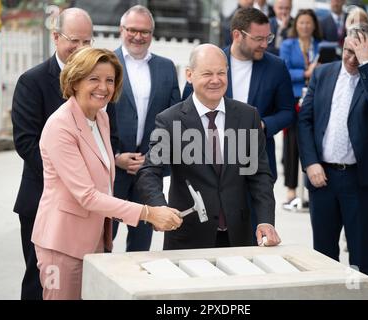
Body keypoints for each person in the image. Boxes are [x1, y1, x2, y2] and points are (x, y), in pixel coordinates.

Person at [31, 47, 182, 300]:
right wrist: (147, 213)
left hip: (94, 242)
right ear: (75, 81)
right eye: (94, 79)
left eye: (109, 80)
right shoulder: (60, 127)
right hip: (62, 245)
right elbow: (87, 196)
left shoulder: (100, 118)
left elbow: (103, 182)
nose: (103, 87)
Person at [136, 44, 281, 250]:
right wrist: (160, 208)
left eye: (221, 73)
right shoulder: (169, 120)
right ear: (189, 75)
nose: (215, 80)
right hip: (187, 237)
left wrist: (266, 220)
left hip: (239, 237)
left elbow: (259, 175)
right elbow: (150, 171)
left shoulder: (248, 116)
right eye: (207, 73)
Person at [11, 8, 111, 300]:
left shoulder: (99, 84)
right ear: (55, 37)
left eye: (87, 42)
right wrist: (75, 173)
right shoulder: (32, 81)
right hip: (46, 204)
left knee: (81, 284)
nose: (80, 49)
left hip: (90, 207)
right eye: (74, 41)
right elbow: (26, 144)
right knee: (38, 282)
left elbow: (108, 136)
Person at [298, 23, 368, 278]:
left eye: (359, 53)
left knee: (360, 255)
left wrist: (366, 65)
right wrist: (310, 163)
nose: (351, 59)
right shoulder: (323, 73)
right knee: (322, 254)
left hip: (360, 180)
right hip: (322, 179)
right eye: (347, 51)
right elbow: (305, 121)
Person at [110, 5, 181, 252]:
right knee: (103, 240)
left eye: (145, 31)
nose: (138, 36)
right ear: (122, 30)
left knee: (141, 245)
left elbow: (174, 120)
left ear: (152, 33)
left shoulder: (166, 68)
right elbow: (93, 118)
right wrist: (114, 157)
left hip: (148, 173)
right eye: (132, 30)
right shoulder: (106, 63)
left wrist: (152, 160)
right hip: (111, 170)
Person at [280, 9, 321, 210]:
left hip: (314, 99)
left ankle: (311, 186)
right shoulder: (288, 45)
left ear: (314, 25)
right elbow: (283, 70)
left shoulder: (320, 46)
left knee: (311, 142)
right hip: (294, 97)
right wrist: (305, 72)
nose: (305, 26)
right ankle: (290, 190)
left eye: (308, 22)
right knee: (291, 144)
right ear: (296, 25)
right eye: (301, 22)